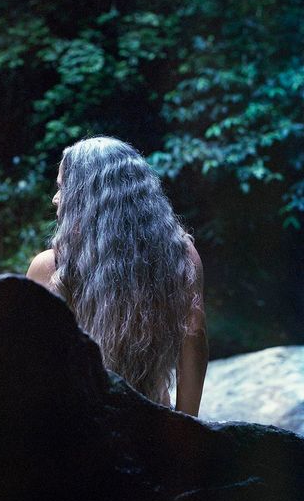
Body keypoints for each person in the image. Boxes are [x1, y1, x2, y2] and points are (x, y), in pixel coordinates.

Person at [26, 136, 208, 416]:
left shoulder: (50, 266)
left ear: (87, 196)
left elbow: (30, 360)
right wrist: (187, 425)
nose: (55, 198)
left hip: (79, 424)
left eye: (62, 187)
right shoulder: (180, 255)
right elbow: (194, 339)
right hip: (152, 419)